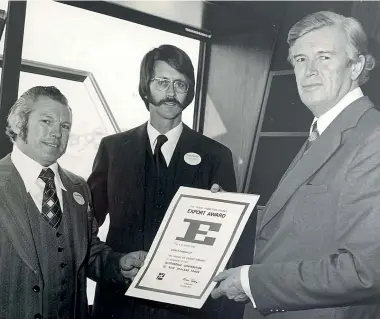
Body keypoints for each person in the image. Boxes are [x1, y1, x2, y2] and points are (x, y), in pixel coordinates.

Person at [210, 11, 380, 319]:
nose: (309, 70)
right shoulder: (326, 130)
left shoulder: (373, 137)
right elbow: (300, 227)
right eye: (300, 59)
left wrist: (251, 282)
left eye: (324, 57)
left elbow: (365, 268)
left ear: (356, 66)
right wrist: (229, 213)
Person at [88, 44, 237, 319]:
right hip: (119, 305)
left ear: (190, 91)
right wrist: (113, 265)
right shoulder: (113, 149)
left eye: (180, 84)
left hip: (185, 311)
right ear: (146, 87)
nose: (171, 93)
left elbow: (230, 246)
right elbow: (83, 229)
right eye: (162, 82)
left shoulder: (216, 156)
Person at [0, 86, 146, 319]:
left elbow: (88, 253)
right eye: (46, 121)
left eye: (65, 126)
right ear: (19, 124)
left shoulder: (78, 187)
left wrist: (120, 264)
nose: (57, 133)